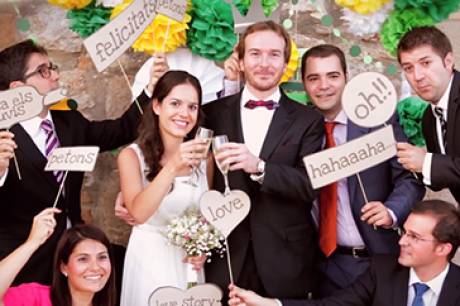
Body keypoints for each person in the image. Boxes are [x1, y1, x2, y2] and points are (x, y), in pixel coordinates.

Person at [0, 39, 158, 285]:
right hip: (25, 265)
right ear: (18, 87)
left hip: (73, 259)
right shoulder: (3, 137)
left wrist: (150, 90)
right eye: (43, 71)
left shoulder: (69, 122)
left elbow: (120, 130)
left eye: (51, 67)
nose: (54, 75)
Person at [203, 20, 324, 300]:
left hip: (285, 261)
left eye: (274, 55)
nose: (265, 63)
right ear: (241, 61)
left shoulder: (309, 120)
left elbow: (310, 185)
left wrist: (260, 167)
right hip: (226, 257)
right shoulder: (212, 113)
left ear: (285, 64)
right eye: (255, 54)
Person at [299, 44, 425, 296]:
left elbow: (410, 180)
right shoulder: (299, 128)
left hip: (378, 258)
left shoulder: (378, 121)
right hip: (324, 266)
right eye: (314, 78)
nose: (324, 85)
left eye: (333, 76)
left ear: (346, 77)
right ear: (304, 84)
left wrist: (391, 210)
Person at [229, 199, 460, 306]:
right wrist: (266, 303)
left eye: (415, 237)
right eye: (405, 232)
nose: (402, 241)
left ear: (443, 248)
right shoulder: (382, 270)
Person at [117, 70, 210, 306]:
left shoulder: (205, 158)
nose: (184, 113)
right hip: (149, 261)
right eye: (175, 103)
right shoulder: (131, 156)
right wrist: (172, 167)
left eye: (192, 107)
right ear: (157, 106)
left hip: (188, 267)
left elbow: (207, 213)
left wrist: (204, 247)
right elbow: (138, 213)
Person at [395, 26, 460, 203]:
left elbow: (433, 164)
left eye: (426, 63)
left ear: (448, 62)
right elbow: (439, 180)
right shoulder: (429, 119)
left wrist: (426, 162)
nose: (417, 76)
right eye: (408, 68)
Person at [0, 208, 116, 306]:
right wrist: (33, 242)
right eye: (83, 259)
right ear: (63, 267)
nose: (95, 267)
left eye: (102, 257)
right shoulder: (36, 298)